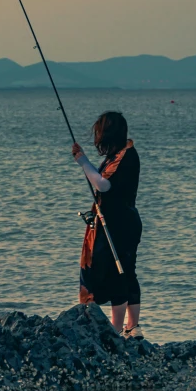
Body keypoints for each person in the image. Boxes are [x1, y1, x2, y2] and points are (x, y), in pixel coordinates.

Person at [72, 111, 143, 339]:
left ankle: (118, 328)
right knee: (126, 271)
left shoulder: (126, 157)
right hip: (123, 221)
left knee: (118, 273)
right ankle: (132, 328)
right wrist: (86, 162)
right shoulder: (118, 155)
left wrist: (83, 161)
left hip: (119, 224)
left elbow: (104, 186)